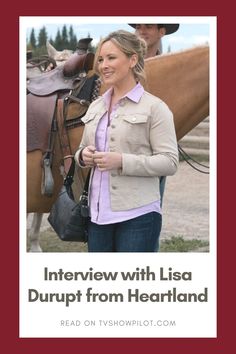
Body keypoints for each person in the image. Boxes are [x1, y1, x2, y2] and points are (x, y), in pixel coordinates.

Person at [74, 30, 178, 252]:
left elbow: (169, 162)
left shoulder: (155, 108)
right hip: (97, 215)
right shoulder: (95, 106)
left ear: (132, 60)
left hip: (138, 216)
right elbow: (81, 149)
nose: (103, 66)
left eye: (111, 58)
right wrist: (83, 156)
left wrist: (121, 161)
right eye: (101, 59)